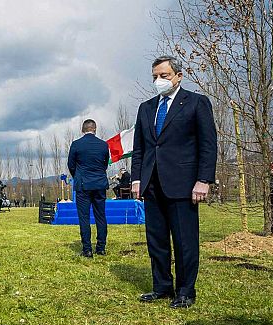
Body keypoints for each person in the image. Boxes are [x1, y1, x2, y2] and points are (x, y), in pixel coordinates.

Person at [130, 55, 217, 309]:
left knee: (184, 240)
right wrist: (137, 179)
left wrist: (203, 180)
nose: (159, 80)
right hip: (152, 183)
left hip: (183, 184)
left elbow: (208, 145)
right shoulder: (146, 108)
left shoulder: (196, 103)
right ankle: (162, 286)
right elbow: (140, 148)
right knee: (156, 240)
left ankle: (186, 291)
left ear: (178, 76)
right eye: (155, 76)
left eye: (164, 76)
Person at [68, 119, 109, 257]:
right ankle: (101, 247)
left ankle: (87, 249)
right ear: (95, 129)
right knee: (101, 216)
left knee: (84, 217)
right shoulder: (103, 145)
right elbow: (105, 165)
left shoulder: (76, 145)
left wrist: (78, 176)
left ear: (82, 130)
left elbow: (71, 165)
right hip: (99, 184)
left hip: (83, 185)